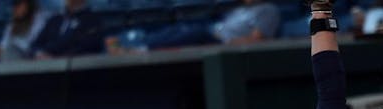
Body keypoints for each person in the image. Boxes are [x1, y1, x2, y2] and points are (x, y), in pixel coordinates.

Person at [106, 0, 280, 52]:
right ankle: (135, 45)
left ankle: (141, 48)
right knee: (179, 29)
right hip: (213, 35)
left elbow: (258, 40)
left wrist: (228, 42)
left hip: (224, 44)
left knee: (193, 31)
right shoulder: (238, 9)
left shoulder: (267, 10)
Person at [29, 0, 105, 59]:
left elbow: (90, 46)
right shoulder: (55, 20)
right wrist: (39, 54)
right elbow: (35, 45)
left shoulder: (92, 20)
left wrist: (57, 57)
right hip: (47, 69)